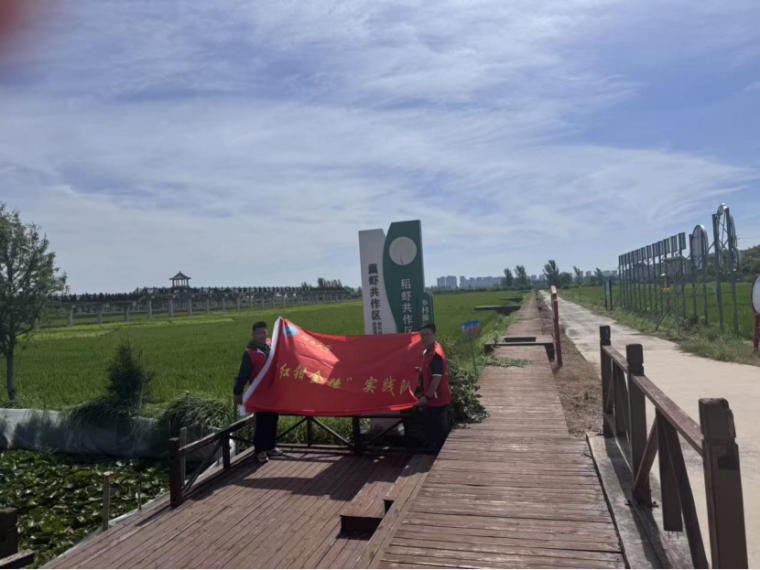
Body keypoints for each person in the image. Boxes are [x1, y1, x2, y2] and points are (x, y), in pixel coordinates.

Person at [233, 321, 282, 463]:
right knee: (261, 422)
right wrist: (238, 392)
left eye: (264, 332)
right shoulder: (250, 353)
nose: (262, 335)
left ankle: (271, 447)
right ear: (253, 335)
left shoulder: (271, 345)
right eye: (258, 333)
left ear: (267, 333)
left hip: (272, 391)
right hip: (259, 393)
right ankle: (260, 451)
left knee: (273, 419)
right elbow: (243, 374)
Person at [417, 323, 452, 451]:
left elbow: (436, 379)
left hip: (437, 398)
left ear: (434, 335)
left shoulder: (436, 355)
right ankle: (435, 449)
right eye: (422, 335)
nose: (424, 337)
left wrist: (427, 397)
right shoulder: (427, 351)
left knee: (439, 427)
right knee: (433, 426)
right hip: (432, 397)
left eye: (427, 334)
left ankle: (441, 451)